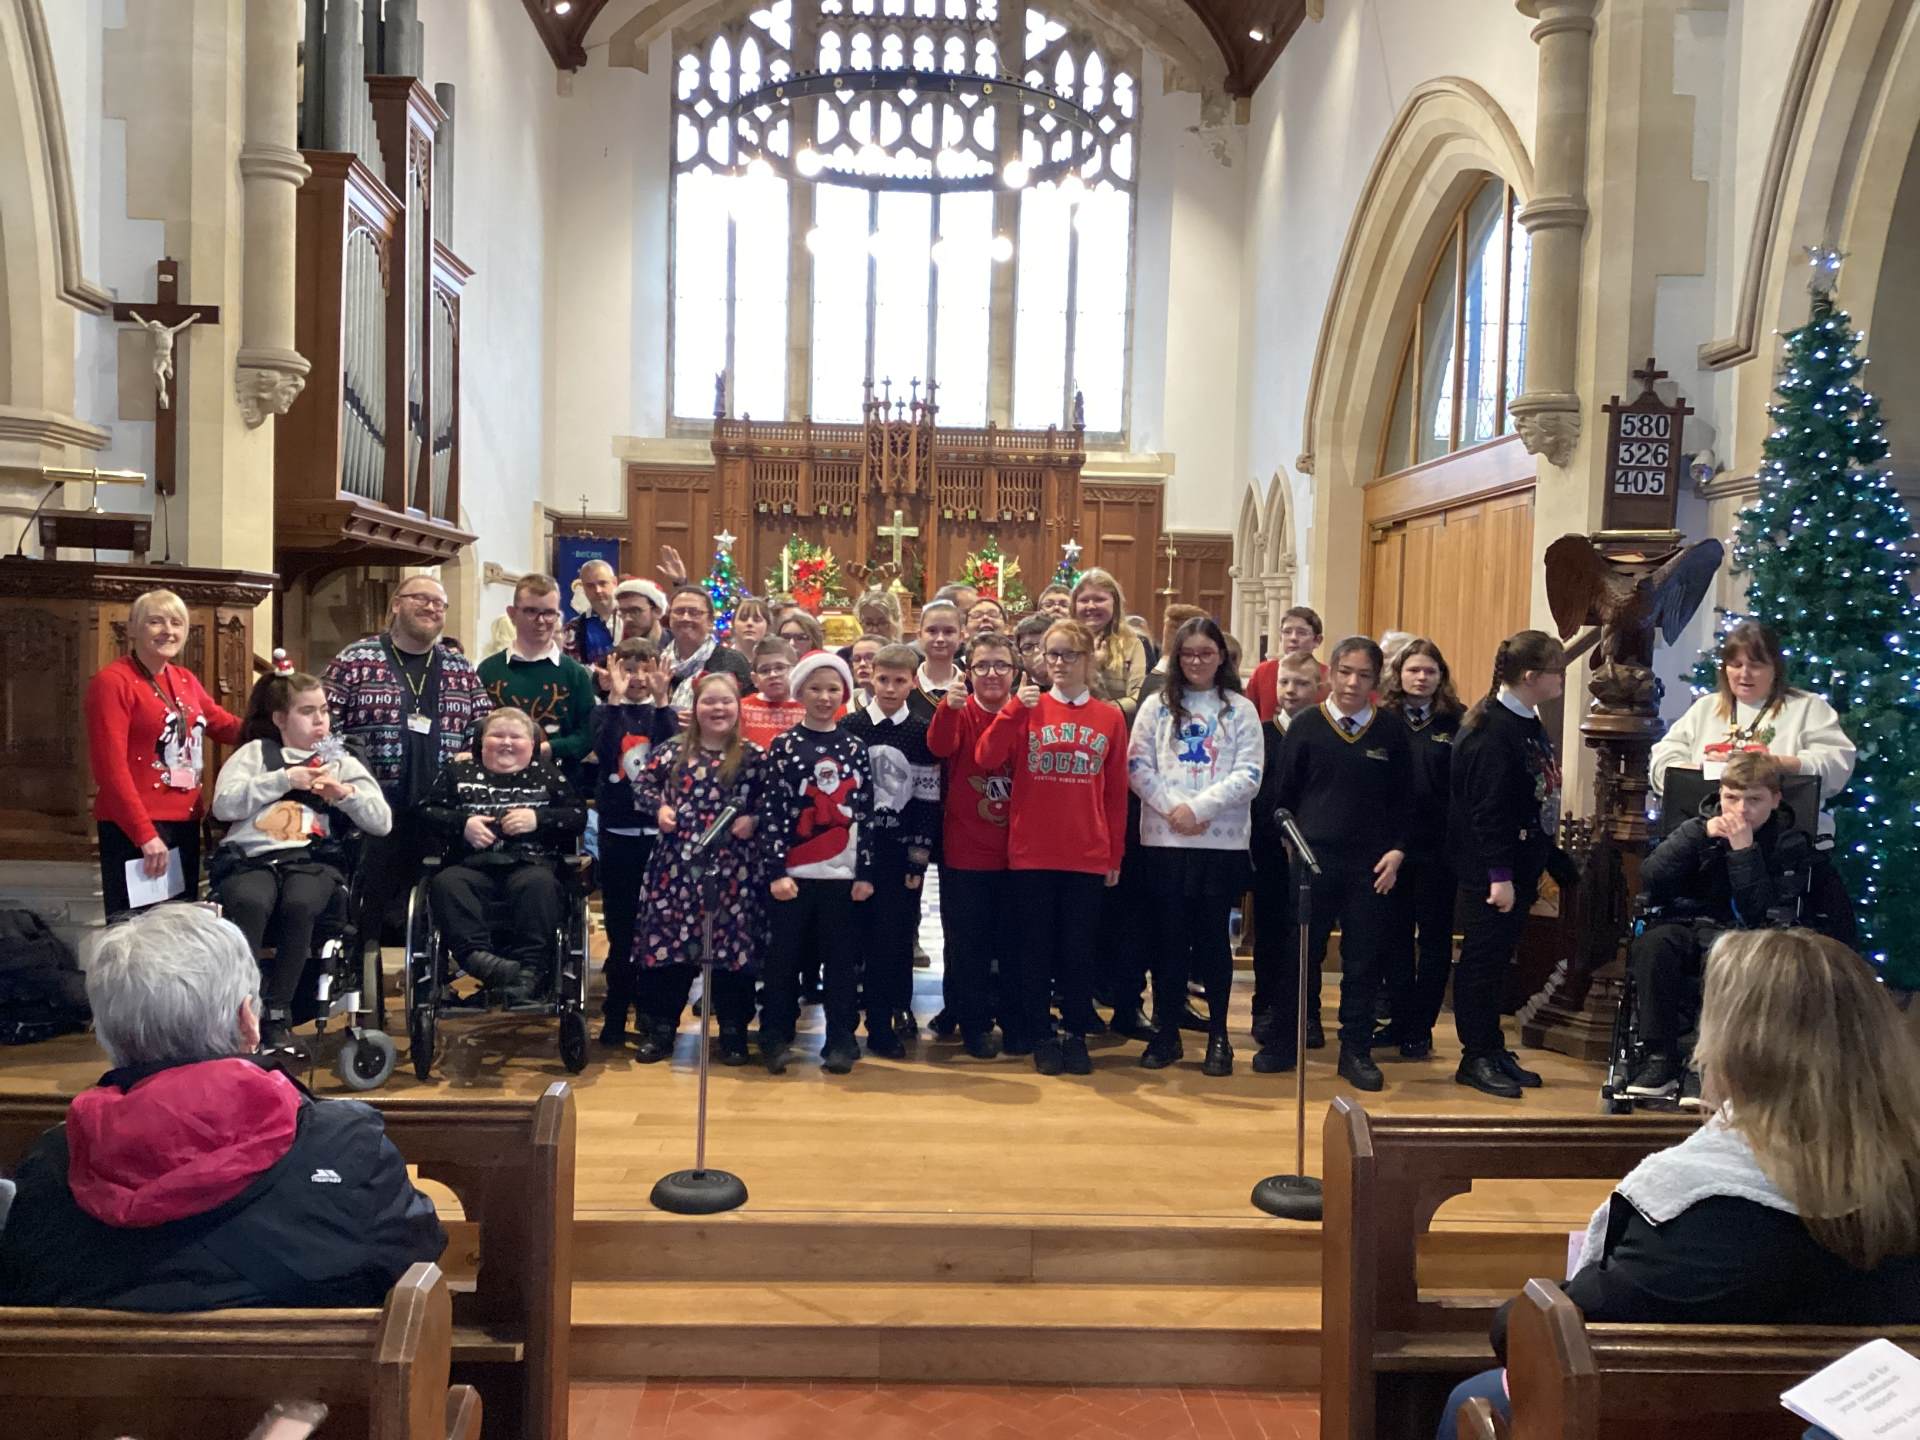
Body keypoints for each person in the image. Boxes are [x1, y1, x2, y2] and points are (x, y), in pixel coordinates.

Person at [1438, 927, 1920, 1440]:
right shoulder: (1904, 1184)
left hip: (1680, 1417)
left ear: (1735, 1051)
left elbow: (1554, 1334)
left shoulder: (1703, 1219)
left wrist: (1514, 1315)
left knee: (1473, 1401)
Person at [0, 905, 445, 1309]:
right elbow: (416, 1265)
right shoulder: (348, 1147)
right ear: (247, 1021)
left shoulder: (54, 1166)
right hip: (302, 1378)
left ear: (107, 1036)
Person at [1625, 753, 1857, 1101]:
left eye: (1754, 800)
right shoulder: (1696, 828)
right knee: (1655, 944)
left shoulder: (1789, 845)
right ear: (1720, 794)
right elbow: (1651, 877)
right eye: (1731, 798)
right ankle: (1659, 1057)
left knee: (1733, 955)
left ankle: (1710, 1065)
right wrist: (1697, 836)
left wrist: (1744, 853)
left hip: (1751, 935)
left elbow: (1761, 913)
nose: (1741, 809)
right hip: (1691, 924)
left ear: (1775, 800)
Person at [209, 670, 393, 1052]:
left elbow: (382, 821)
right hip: (252, 858)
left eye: (323, 710)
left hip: (311, 858)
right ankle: (241, 1010)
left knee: (300, 903)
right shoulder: (256, 754)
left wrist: (343, 794)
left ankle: (278, 1013)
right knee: (249, 902)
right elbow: (223, 805)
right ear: (280, 718)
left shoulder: (338, 760)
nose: (320, 720)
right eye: (307, 712)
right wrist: (284, 780)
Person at [976, 618, 1129, 1076]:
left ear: (1088, 659)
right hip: (1032, 850)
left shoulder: (1109, 717)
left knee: (1078, 951)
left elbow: (1115, 793)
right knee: (1034, 950)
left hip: (1086, 851)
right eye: (1052, 654)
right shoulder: (1028, 707)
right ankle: (1040, 1033)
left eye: (1069, 654)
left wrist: (1114, 854)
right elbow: (986, 757)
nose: (1059, 663)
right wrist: (1012, 710)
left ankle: (1075, 1033)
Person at [1263, 636, 1411, 1092]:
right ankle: (1284, 1041)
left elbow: (1406, 801)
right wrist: (1292, 843)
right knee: (1300, 953)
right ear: (1330, 673)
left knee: (1362, 959)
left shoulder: (1390, 731)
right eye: (1345, 672)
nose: (1352, 683)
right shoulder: (1307, 725)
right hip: (1314, 860)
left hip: (1372, 866)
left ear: (1376, 680)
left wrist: (1397, 850)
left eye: (1363, 675)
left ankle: (1356, 1050)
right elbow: (1282, 797)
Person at [324, 574, 493, 964]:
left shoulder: (459, 666)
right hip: (374, 810)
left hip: (440, 812)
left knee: (439, 903)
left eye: (440, 603)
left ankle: (437, 974)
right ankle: (363, 974)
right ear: (396, 604)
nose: (432, 608)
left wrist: (471, 754)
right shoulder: (356, 659)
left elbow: (483, 725)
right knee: (370, 905)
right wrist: (347, 771)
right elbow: (324, 726)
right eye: (422, 598)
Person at [1127, 616, 1263, 1076]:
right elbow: (1137, 765)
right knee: (1167, 939)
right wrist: (1174, 809)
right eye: (1188, 654)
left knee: (1211, 941)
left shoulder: (1239, 709)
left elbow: (1249, 773)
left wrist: (1200, 808)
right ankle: (1166, 1032)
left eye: (1206, 653)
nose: (1197, 661)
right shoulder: (1156, 707)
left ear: (1221, 656)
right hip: (1165, 839)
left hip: (1218, 843)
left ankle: (1219, 1036)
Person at [1447, 630, 1570, 1099]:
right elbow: (1488, 813)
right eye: (1556, 671)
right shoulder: (1491, 731)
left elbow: (1529, 797)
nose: (1562, 679)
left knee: (1500, 962)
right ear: (1531, 676)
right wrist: (1499, 877)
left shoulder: (1526, 721)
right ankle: (1474, 1055)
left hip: (1520, 865)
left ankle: (1492, 1046)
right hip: (1491, 871)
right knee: (1482, 962)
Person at [631, 672, 766, 1065]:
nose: (717, 708)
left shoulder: (754, 756)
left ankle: (734, 1031)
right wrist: (660, 808)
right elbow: (642, 786)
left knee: (733, 951)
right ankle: (661, 1029)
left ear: (738, 707)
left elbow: (773, 802)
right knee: (670, 949)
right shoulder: (671, 751)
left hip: (734, 869)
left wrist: (754, 820)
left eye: (726, 701)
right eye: (709, 701)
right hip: (676, 867)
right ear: (695, 707)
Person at [85, 587, 246, 915]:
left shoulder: (184, 679)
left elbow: (223, 725)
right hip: (136, 826)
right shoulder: (112, 682)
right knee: (138, 929)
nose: (168, 631)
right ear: (133, 629)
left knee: (177, 926)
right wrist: (144, 834)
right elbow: (110, 769)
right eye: (155, 622)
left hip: (184, 821)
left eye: (176, 623)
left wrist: (281, 726)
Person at [757, 652, 875, 1075]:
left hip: (842, 877)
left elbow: (865, 810)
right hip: (793, 875)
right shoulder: (784, 746)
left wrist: (865, 872)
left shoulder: (855, 748)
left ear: (843, 693)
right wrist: (776, 871)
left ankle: (841, 1039)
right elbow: (772, 811)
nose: (824, 697)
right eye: (815, 689)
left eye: (832, 689)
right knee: (783, 961)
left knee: (841, 962)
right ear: (801, 692)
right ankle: (775, 1036)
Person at [422, 708, 587, 1004]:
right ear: (481, 741)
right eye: (497, 735)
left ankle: (529, 973)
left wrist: (538, 819)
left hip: (531, 864)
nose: (506, 742)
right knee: (446, 883)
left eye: (516, 737)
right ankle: (480, 962)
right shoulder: (457, 773)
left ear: (532, 744)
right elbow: (426, 813)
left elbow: (577, 816)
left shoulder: (548, 774)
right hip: (470, 866)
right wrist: (463, 824)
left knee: (539, 885)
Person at [1650, 620, 1856, 837]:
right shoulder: (1706, 707)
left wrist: (1778, 764)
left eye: (1756, 666)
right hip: (1708, 834)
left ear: (1775, 668)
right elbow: (1662, 761)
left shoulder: (1807, 707)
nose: (1744, 674)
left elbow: (1836, 765)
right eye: (1736, 665)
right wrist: (1699, 770)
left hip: (1785, 837)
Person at [844, 643, 941, 1055]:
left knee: (895, 935)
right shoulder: (850, 726)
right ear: (870, 677)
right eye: (882, 679)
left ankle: (888, 1015)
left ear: (912, 683)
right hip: (853, 853)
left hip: (898, 854)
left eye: (899, 681)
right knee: (851, 937)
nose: (889, 687)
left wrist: (918, 858)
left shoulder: (920, 732)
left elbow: (926, 798)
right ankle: (846, 1020)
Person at [928, 630, 1021, 1058]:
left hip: (1018, 851)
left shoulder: (1026, 711)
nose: (992, 673)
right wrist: (948, 708)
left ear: (1015, 671)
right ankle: (973, 1022)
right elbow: (939, 746)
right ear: (968, 672)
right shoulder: (959, 710)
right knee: (968, 944)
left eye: (1001, 665)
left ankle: (1013, 1018)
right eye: (982, 665)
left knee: (1013, 943)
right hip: (966, 847)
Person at [1376, 638, 1465, 1061]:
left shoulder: (1458, 721)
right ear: (1399, 674)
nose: (1421, 677)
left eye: (1430, 671)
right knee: (1392, 937)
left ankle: (1420, 1027)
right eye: (1413, 670)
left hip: (1439, 849)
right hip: (1391, 848)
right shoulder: (1384, 719)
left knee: (1433, 940)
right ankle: (1397, 1018)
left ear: (1440, 676)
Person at [592, 638, 678, 1047]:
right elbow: (605, 749)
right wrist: (614, 700)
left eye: (647, 669)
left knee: (655, 928)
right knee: (621, 928)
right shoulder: (605, 712)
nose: (639, 678)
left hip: (657, 837)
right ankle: (615, 1010)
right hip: (617, 835)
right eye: (629, 669)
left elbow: (670, 755)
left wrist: (662, 703)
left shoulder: (665, 714)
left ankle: (648, 1010)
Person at [1249, 650, 1327, 1071]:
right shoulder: (1262, 734)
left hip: (1311, 849)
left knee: (1308, 936)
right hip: (1269, 848)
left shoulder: (1322, 732)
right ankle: (1265, 1008)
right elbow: (1257, 792)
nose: (1291, 691)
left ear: (1319, 688)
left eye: (1301, 683)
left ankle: (1307, 1012)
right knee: (1270, 932)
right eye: (1284, 683)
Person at [476, 574, 599, 780]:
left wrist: (550, 748)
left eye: (549, 613)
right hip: (495, 783)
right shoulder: (489, 670)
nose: (541, 621)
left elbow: (589, 733)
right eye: (531, 611)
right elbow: (476, 728)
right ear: (512, 614)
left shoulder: (575, 673)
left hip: (559, 783)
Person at [663, 583, 753, 715]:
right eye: (679, 611)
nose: (685, 618)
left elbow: (747, 712)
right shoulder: (658, 660)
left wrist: (699, 721)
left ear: (710, 621)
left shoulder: (731, 661)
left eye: (694, 613)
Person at [1072, 569, 1148, 720]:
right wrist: (1091, 666)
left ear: (1115, 603)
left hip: (1116, 722)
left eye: (1099, 600)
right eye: (1084, 600)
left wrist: (1104, 710)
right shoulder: (1063, 641)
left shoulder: (1132, 643)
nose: (1091, 606)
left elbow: (1138, 696)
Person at [1245, 605, 1328, 723]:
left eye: (1302, 633)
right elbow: (1249, 715)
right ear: (1280, 637)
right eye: (1287, 632)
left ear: (1317, 640)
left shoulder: (1327, 676)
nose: (1293, 638)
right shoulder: (1263, 672)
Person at [740, 637, 806, 747]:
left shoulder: (808, 708)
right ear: (755, 679)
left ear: (795, 671)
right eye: (764, 670)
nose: (773, 675)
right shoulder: (741, 709)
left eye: (780, 668)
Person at [908, 599, 966, 717]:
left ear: (961, 637)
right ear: (919, 636)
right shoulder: (906, 684)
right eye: (932, 631)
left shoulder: (971, 684)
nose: (940, 639)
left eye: (948, 632)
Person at [563, 558, 621, 668]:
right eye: (590, 586)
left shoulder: (630, 620)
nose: (598, 590)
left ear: (614, 583)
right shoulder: (573, 628)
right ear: (583, 588)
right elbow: (571, 668)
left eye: (602, 583)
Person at [614, 577, 668, 649]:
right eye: (623, 612)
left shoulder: (676, 647)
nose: (627, 619)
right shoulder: (619, 652)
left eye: (635, 611)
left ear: (657, 611)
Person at [1013, 612, 1052, 689]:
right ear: (1020, 656)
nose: (1037, 651)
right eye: (1028, 647)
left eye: (1043, 644)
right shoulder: (1016, 693)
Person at [847, 633, 885, 709]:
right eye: (856, 659)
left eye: (870, 658)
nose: (862, 664)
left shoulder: (907, 704)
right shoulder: (846, 705)